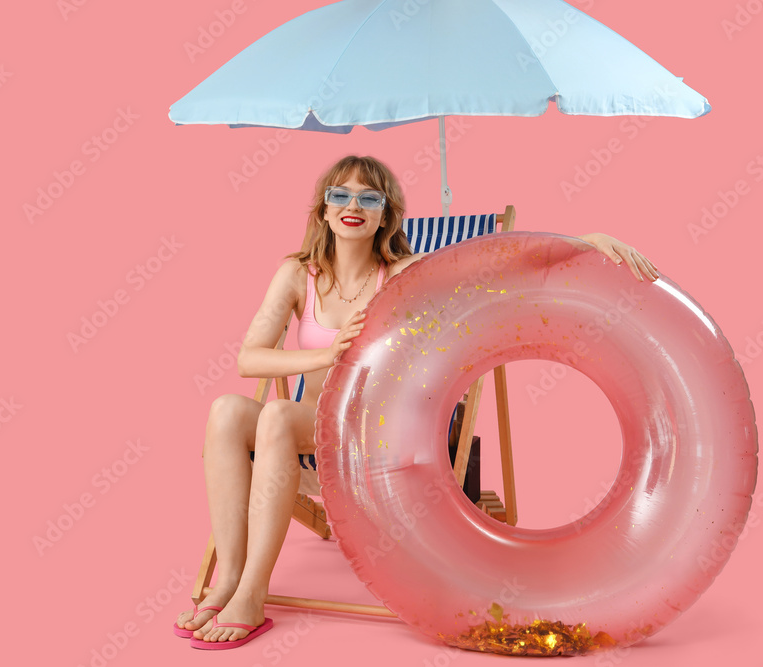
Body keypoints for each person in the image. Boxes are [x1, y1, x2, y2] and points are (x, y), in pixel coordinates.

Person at [176, 155, 659, 647]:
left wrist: (581, 243)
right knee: (227, 411)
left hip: (368, 435)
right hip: (307, 424)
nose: (353, 206)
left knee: (276, 415)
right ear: (323, 210)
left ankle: (253, 595)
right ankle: (228, 580)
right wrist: (327, 355)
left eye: (370, 197)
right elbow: (248, 359)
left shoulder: (404, 273)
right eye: (340, 195)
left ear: (385, 215)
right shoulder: (296, 274)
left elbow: (495, 259)